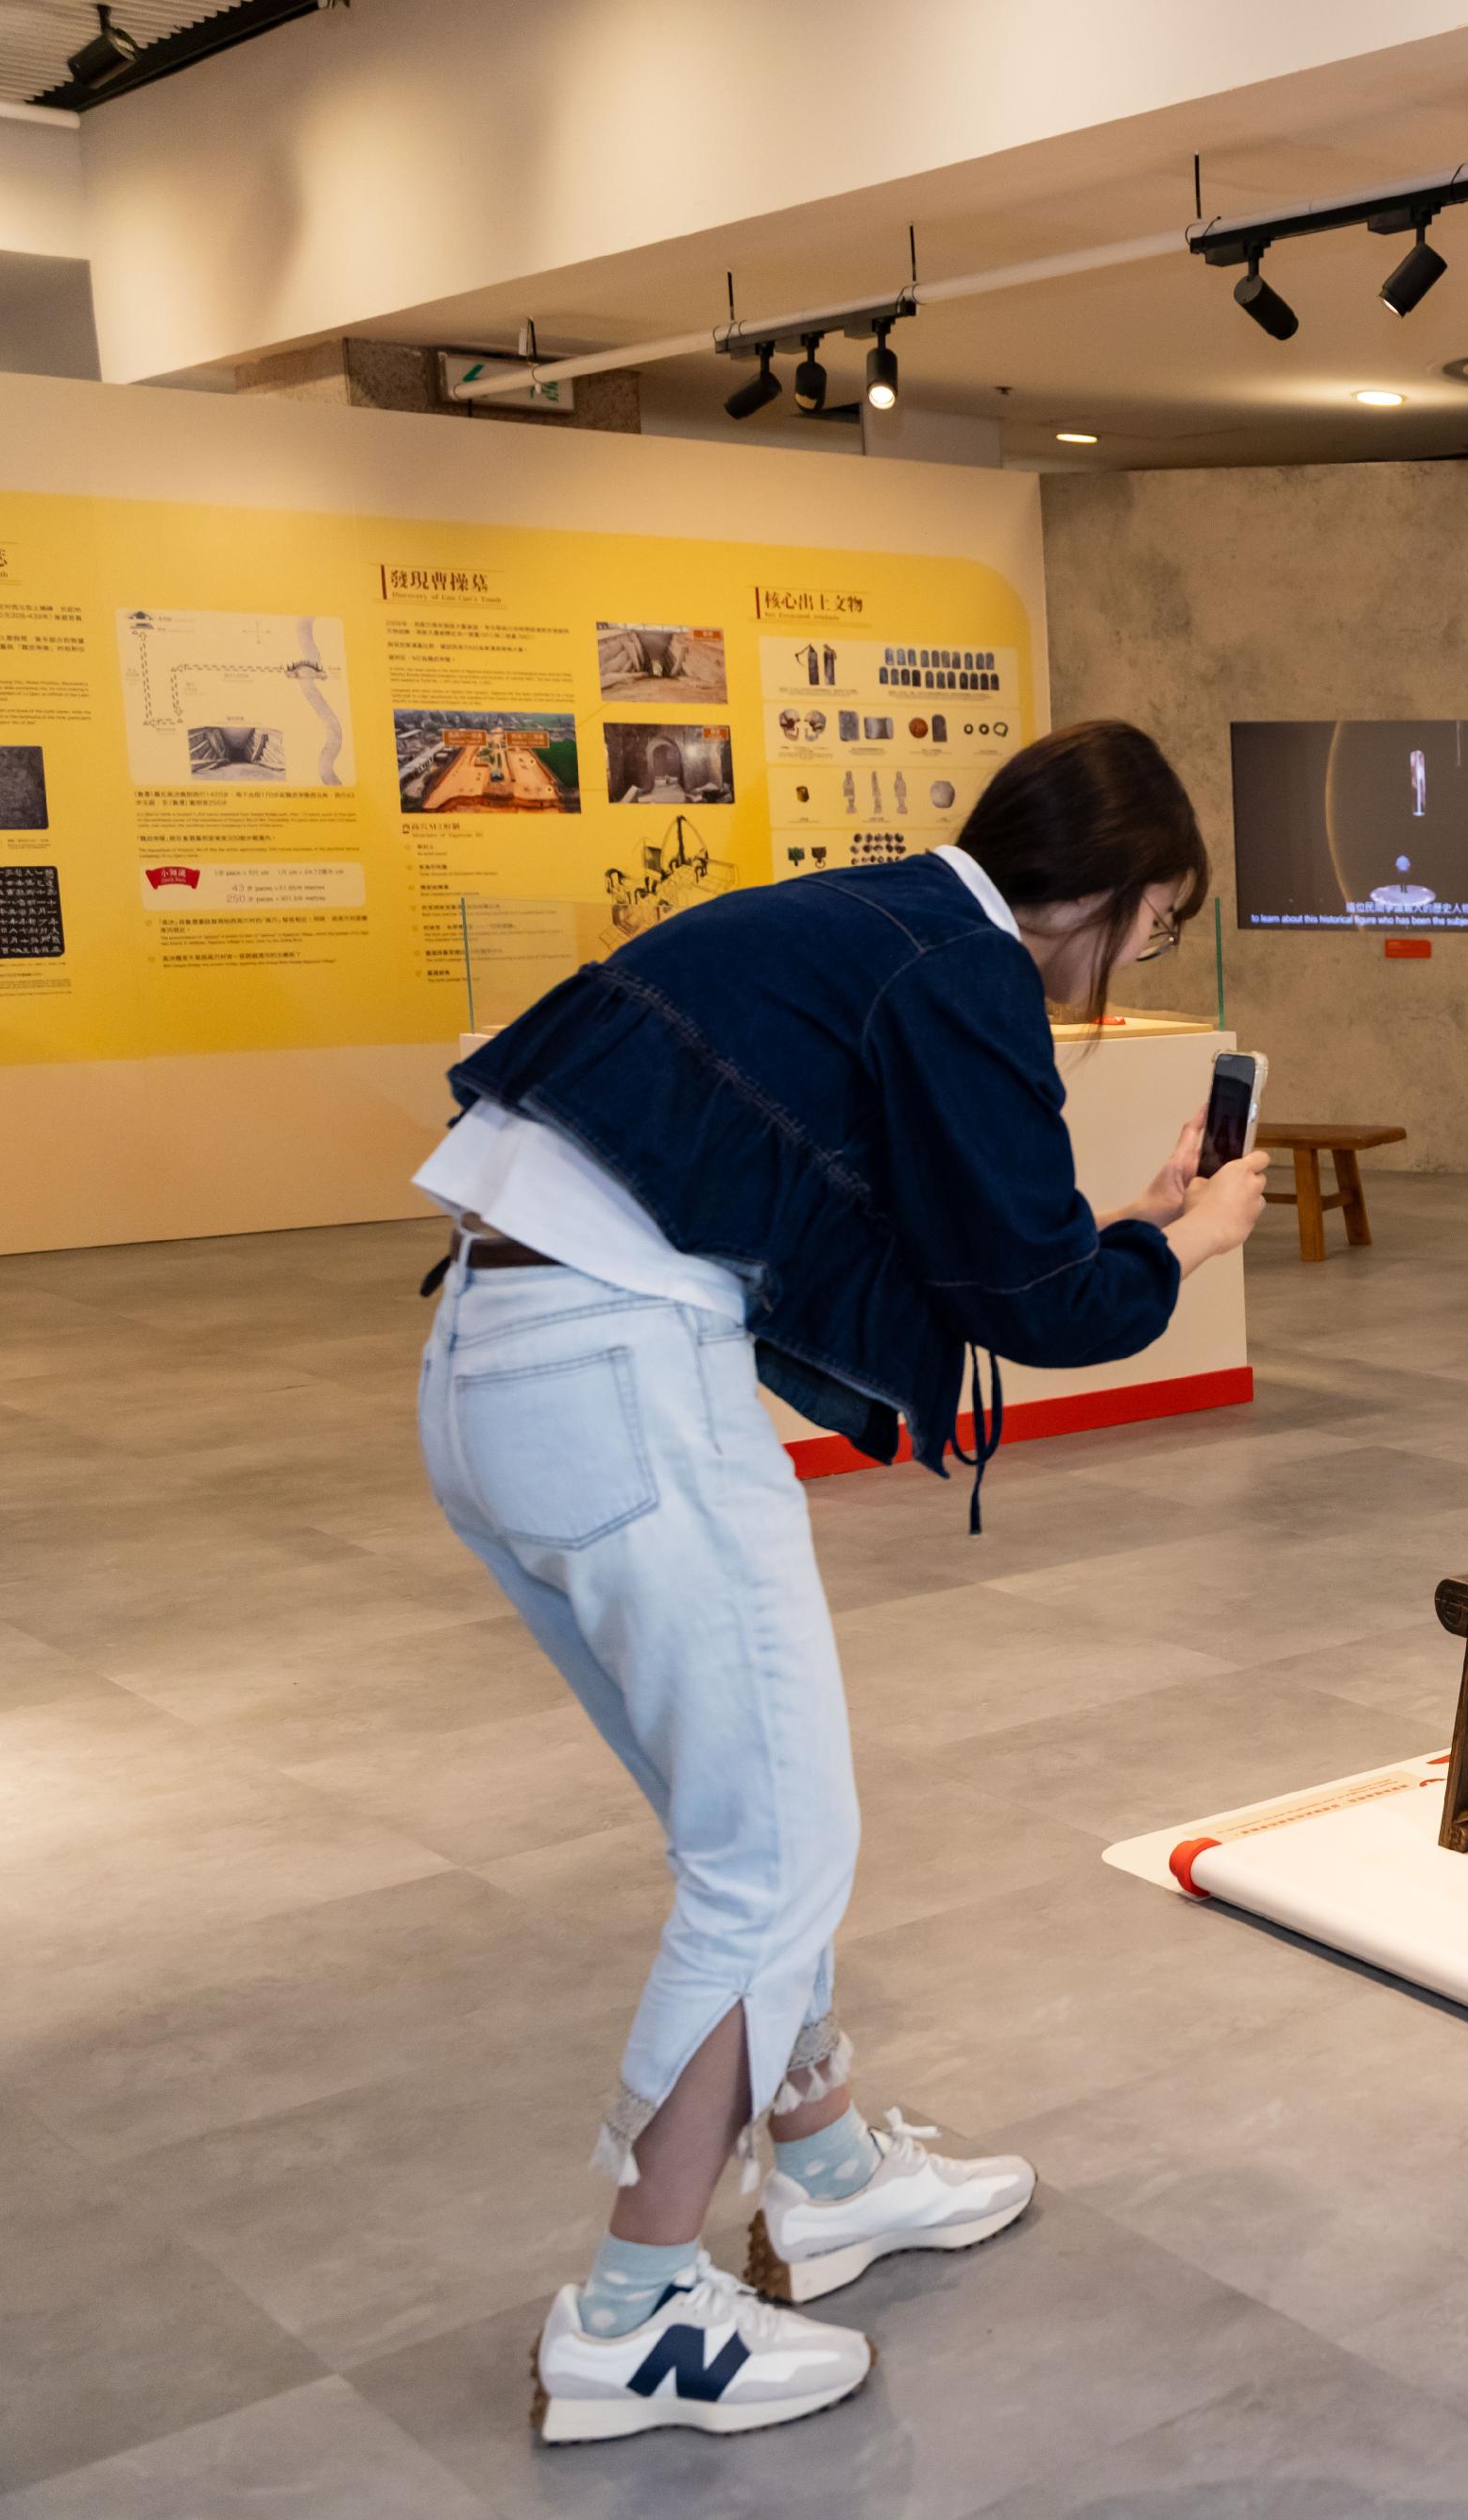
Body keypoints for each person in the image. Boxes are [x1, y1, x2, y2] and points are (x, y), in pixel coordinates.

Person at [412, 720, 1268, 2443]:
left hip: (492, 1367)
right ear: (1111, 894)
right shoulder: (962, 965)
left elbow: (940, 1231)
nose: (1142, 958)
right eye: (1159, 925)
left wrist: (1121, 1226)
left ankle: (822, 2164)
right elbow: (1032, 1299)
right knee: (773, 1853)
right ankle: (635, 2312)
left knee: (741, 1822)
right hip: (621, 1377)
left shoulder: (866, 921)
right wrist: (1184, 1236)